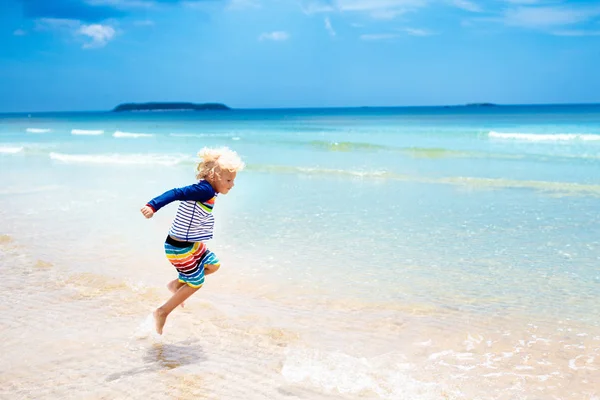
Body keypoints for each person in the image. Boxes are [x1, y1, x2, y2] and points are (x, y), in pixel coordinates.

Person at [140, 146, 245, 334]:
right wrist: (152, 206)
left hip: (192, 245)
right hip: (179, 248)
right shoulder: (203, 190)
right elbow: (176, 193)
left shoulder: (208, 190)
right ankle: (162, 311)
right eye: (228, 180)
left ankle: (176, 284)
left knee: (213, 265)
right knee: (196, 283)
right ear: (214, 177)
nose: (232, 184)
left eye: (233, 180)